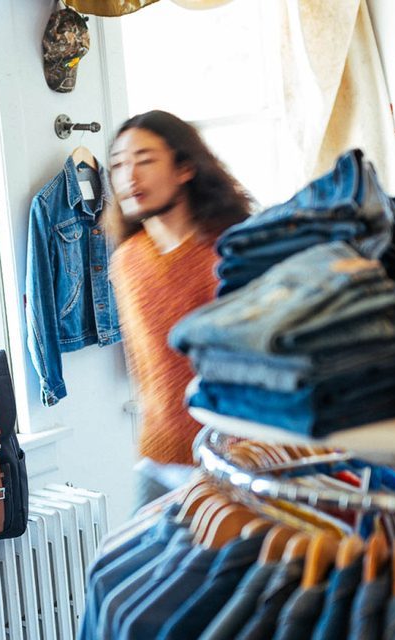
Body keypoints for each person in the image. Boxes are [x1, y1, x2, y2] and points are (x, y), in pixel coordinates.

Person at [104, 110, 251, 508]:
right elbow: (145, 370)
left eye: (145, 160)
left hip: (231, 459)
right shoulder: (127, 261)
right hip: (157, 456)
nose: (129, 177)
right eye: (118, 164)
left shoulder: (229, 253)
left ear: (185, 168)